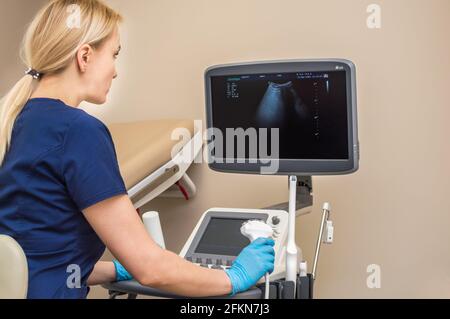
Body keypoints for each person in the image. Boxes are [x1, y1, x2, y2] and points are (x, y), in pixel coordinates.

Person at [0, 0, 274, 299]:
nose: (115, 72)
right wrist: (234, 278)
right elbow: (150, 269)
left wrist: (114, 269)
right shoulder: (78, 131)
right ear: (85, 57)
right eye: (114, 55)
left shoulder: (16, 121)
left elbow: (39, 253)